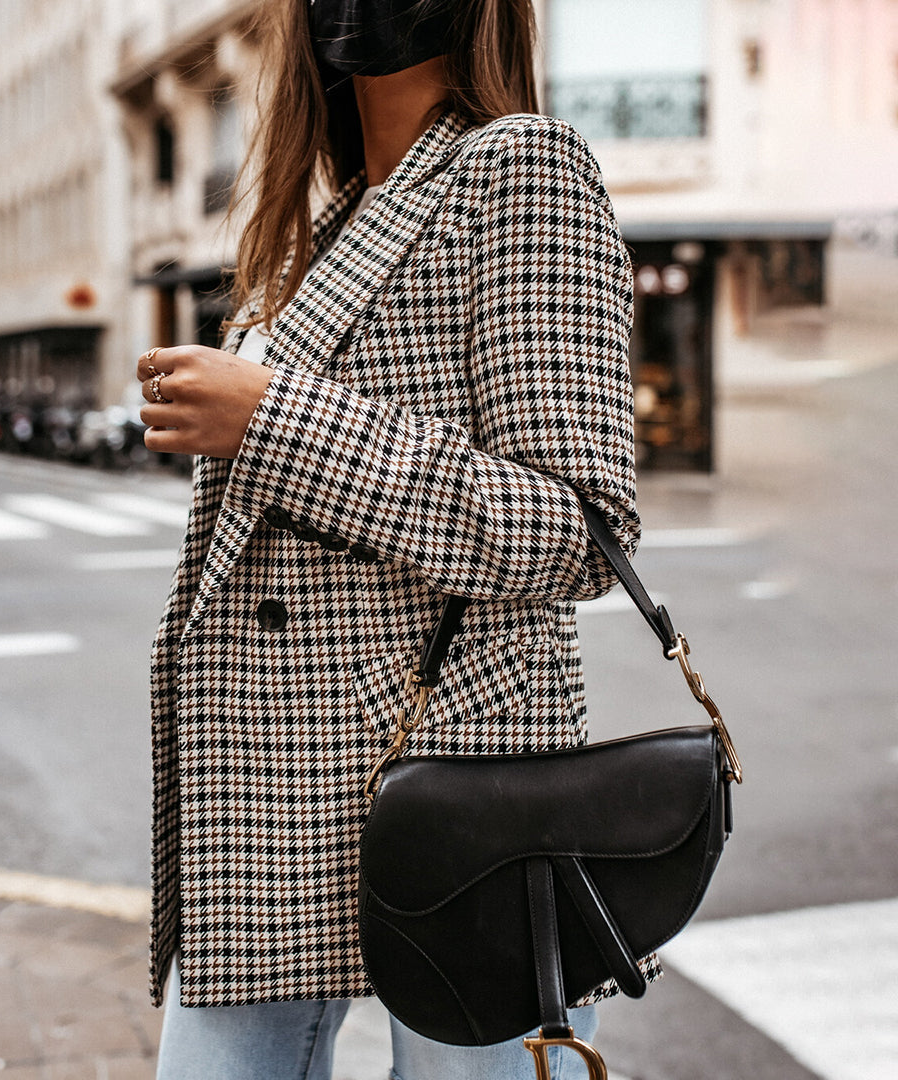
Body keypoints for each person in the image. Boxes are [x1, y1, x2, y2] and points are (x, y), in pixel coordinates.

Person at [136, 2, 648, 1077]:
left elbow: (576, 531)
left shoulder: (522, 167)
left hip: (455, 786)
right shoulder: (325, 224)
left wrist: (270, 417)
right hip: (268, 796)